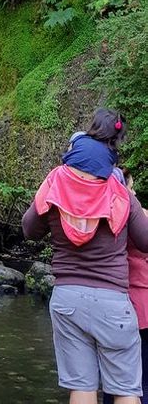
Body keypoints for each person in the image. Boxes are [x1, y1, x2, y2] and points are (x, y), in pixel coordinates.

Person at [22, 128, 148, 404]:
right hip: (112, 303)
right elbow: (145, 240)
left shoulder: (55, 185)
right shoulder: (120, 193)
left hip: (67, 300)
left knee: (81, 387)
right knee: (126, 390)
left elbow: (29, 229)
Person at [102, 173, 148, 404]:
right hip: (141, 307)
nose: (135, 192)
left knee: (114, 383)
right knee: (142, 382)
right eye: (132, 187)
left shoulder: (104, 220)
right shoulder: (140, 218)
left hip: (117, 309)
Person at [64, 109, 126, 181]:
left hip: (67, 181)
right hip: (92, 189)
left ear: (95, 125)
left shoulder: (79, 138)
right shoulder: (113, 154)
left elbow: (68, 158)